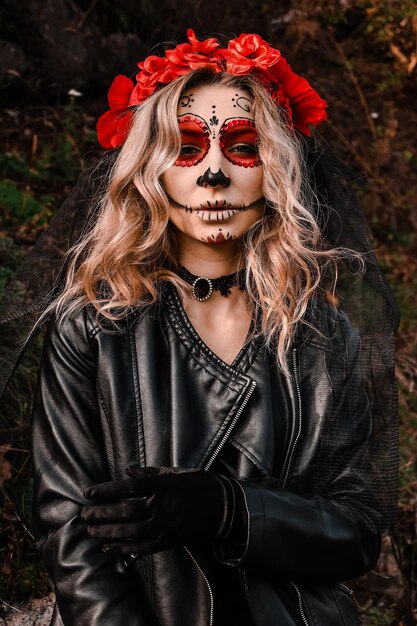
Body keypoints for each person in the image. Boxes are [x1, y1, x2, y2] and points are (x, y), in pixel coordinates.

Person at [16, 30, 399, 625]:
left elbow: (356, 533)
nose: (214, 174)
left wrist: (233, 511)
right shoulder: (92, 326)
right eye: (185, 147)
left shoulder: (323, 335)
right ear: (150, 168)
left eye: (243, 146)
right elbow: (69, 531)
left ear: (275, 168)